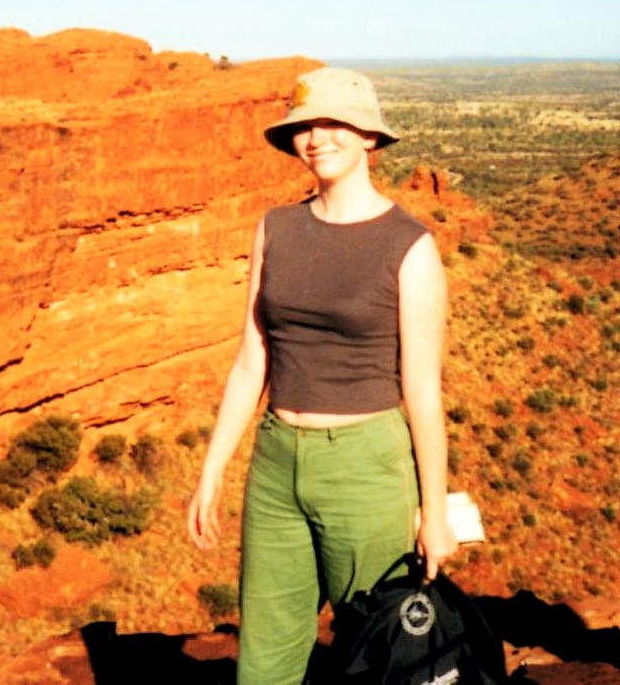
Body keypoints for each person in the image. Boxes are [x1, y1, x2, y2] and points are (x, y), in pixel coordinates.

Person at [186, 66, 458, 685]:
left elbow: (422, 390)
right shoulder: (275, 228)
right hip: (277, 460)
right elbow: (253, 358)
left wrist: (433, 510)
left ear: (369, 137)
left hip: (367, 465)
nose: (318, 138)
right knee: (265, 658)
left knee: (383, 649)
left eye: (335, 123)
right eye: (305, 126)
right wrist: (212, 468)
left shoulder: (409, 244)